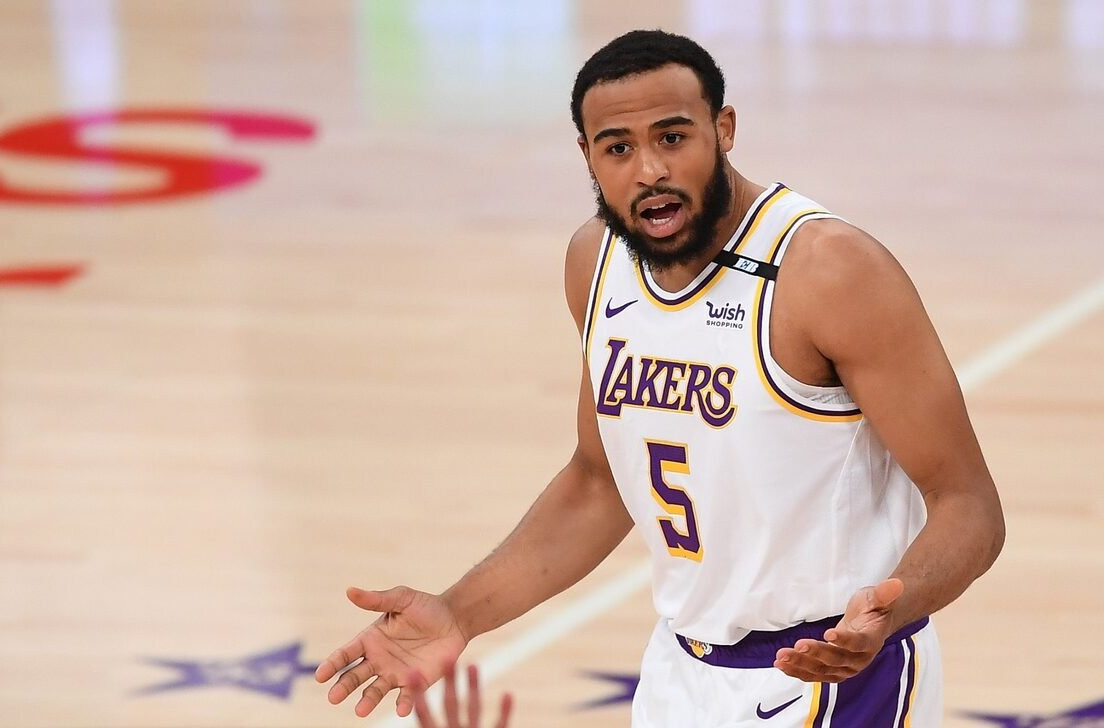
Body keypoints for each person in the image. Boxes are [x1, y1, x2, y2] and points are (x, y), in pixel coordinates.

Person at [315, 29, 1005, 726]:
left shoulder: (827, 270)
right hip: (680, 675)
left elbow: (969, 504)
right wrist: (459, 611)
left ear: (723, 129)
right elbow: (598, 482)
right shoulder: (595, 263)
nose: (649, 170)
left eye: (672, 138)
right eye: (618, 148)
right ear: (587, 156)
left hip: (835, 676)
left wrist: (892, 610)